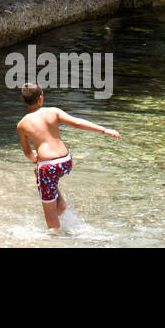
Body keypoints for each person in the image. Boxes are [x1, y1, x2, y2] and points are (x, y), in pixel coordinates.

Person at [16, 83, 120, 233]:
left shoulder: (22, 124)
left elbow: (27, 152)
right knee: (41, 173)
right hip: (65, 161)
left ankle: (55, 236)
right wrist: (104, 130)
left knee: (49, 211)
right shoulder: (53, 111)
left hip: (48, 165)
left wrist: (35, 160)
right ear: (41, 98)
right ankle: (60, 201)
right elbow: (77, 123)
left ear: (24, 101)